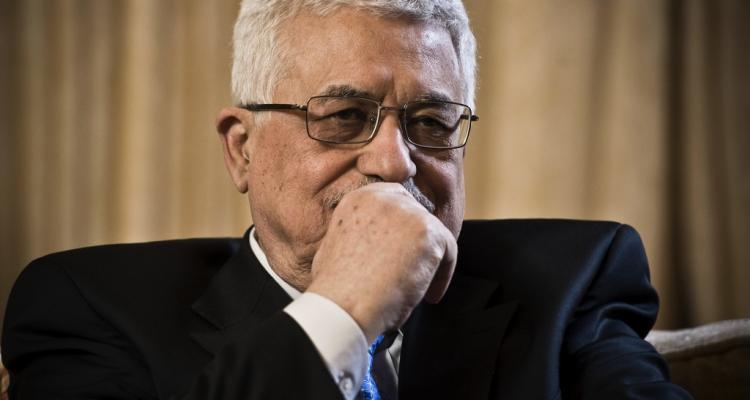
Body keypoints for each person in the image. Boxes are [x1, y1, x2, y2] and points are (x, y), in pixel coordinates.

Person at [2, 0, 691, 399]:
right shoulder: (86, 307)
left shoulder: (574, 280)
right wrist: (341, 313)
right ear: (242, 149)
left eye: (431, 122)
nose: (395, 162)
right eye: (343, 117)